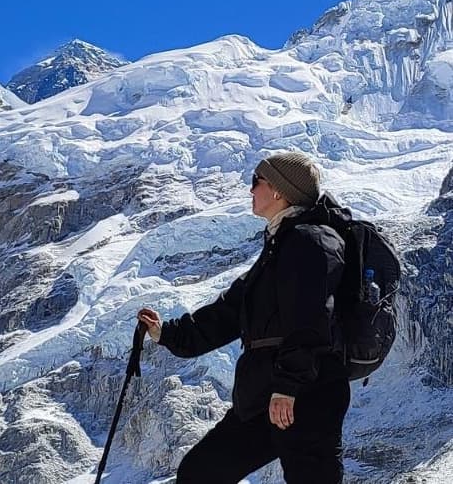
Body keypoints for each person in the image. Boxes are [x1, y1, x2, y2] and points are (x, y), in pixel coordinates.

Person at [137, 151, 350, 484]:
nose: (250, 190)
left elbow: (310, 320)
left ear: (279, 190)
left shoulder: (310, 241)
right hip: (264, 396)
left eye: (256, 181)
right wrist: (167, 333)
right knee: (200, 471)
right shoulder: (281, 245)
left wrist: (288, 387)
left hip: (305, 396)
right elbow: (230, 312)